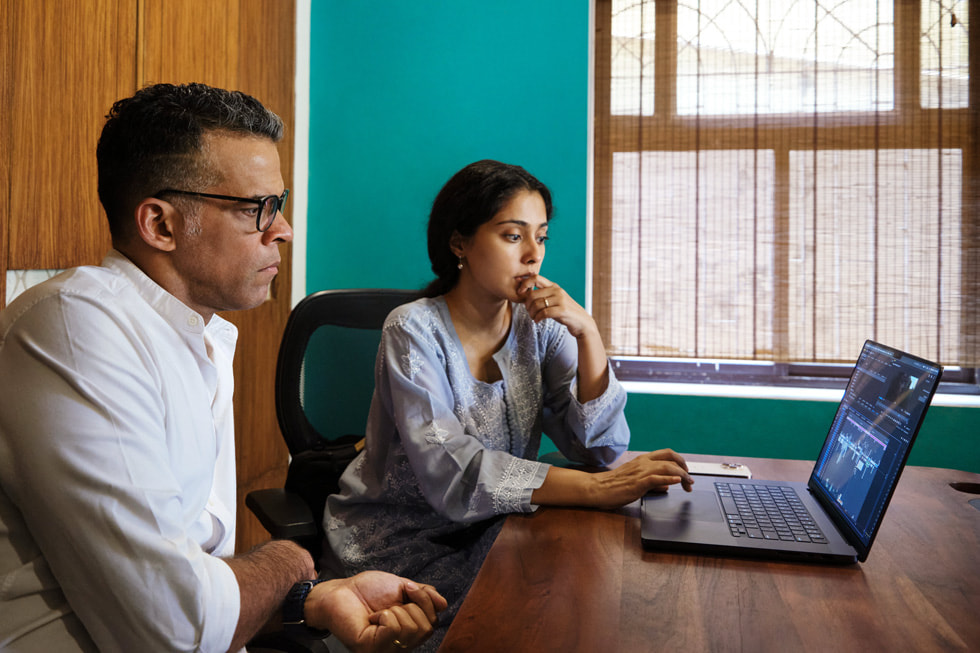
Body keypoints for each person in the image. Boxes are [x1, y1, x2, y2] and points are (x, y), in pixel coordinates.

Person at [0, 82, 445, 652]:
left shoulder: (203, 336)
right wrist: (288, 561)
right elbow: (174, 629)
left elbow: (188, 589)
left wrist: (311, 599)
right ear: (160, 225)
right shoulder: (76, 328)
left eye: (278, 205)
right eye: (254, 208)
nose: (281, 229)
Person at [322, 159, 694, 649]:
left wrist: (588, 333)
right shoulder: (411, 329)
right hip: (399, 542)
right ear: (460, 244)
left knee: (572, 599)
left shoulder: (539, 325)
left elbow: (599, 449)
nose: (533, 255)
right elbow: (451, 473)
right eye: (513, 236)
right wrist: (592, 490)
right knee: (523, 619)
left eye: (541, 237)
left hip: (494, 525)